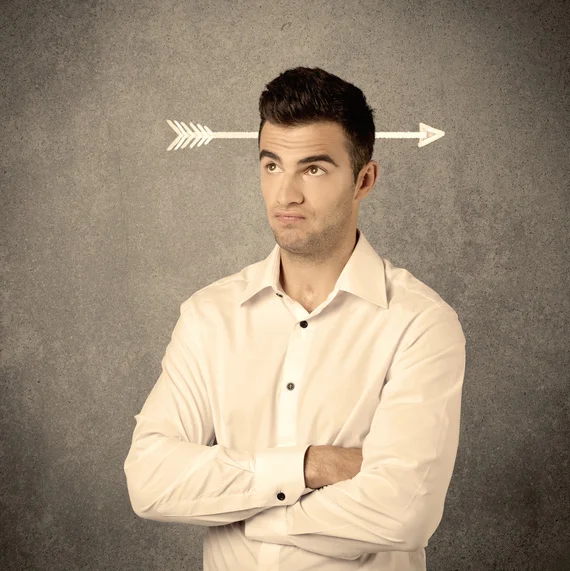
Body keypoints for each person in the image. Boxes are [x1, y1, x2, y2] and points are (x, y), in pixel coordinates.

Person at [124, 66, 466, 571]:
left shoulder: (419, 324)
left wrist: (252, 516)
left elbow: (403, 513)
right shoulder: (209, 316)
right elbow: (149, 481)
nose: (286, 195)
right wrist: (313, 465)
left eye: (313, 169)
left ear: (363, 180)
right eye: (271, 166)